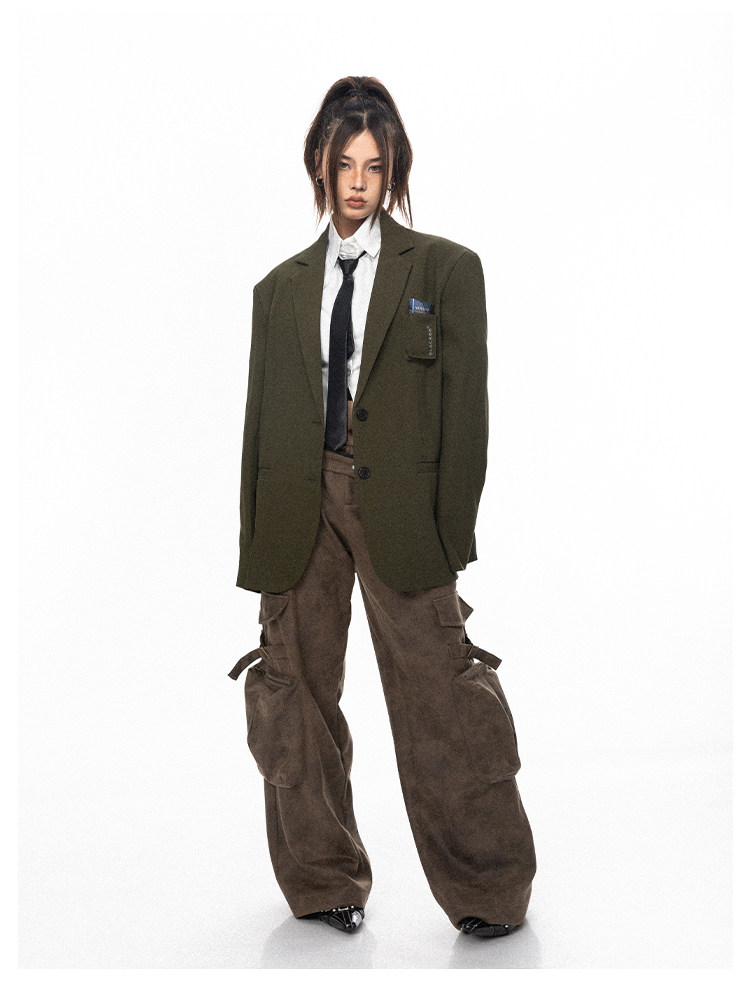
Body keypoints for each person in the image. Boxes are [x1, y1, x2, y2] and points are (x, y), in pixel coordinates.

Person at [228, 76, 536, 937]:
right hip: (298, 504)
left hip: (402, 508)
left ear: (393, 169)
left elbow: (467, 414)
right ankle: (322, 879)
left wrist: (451, 535)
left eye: (374, 165)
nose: (358, 182)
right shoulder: (277, 289)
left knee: (443, 699)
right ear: (319, 167)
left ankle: (489, 891)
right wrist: (255, 541)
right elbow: (259, 422)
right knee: (295, 695)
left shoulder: (445, 268)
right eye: (344, 165)